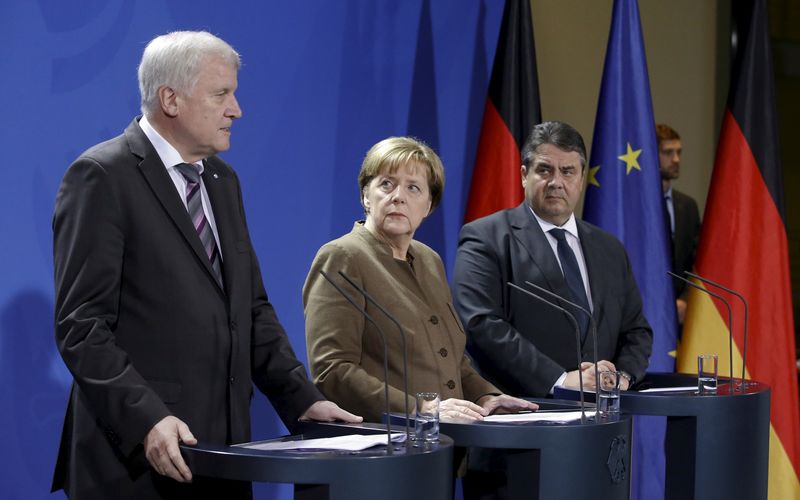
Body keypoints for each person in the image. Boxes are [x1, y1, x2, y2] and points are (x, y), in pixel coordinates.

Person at [51, 31, 360, 500]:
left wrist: (303, 401)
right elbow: (82, 326)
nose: (237, 109)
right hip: (140, 461)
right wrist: (147, 418)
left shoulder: (221, 180)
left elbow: (250, 310)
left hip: (223, 455)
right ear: (170, 99)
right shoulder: (102, 176)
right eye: (222, 94)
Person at [303, 137, 537, 424]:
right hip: (385, 445)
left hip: (443, 444)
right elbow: (333, 370)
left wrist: (485, 397)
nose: (398, 196)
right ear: (366, 195)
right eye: (386, 184)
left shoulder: (429, 260)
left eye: (413, 187)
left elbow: (450, 359)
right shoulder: (343, 256)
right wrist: (419, 408)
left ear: (428, 205)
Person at [453, 121, 653, 398]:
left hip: (604, 418)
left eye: (568, 171)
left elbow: (636, 330)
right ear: (524, 175)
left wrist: (622, 376)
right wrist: (559, 379)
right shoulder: (486, 238)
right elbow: (482, 324)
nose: (556, 182)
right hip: (522, 413)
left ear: (581, 178)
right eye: (544, 170)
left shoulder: (610, 248)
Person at [657, 123, 701, 326]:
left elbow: (696, 260)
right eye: (668, 153)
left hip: (681, 314)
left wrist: (685, 299)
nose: (676, 159)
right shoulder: (634, 208)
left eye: (678, 152)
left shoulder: (688, 206)